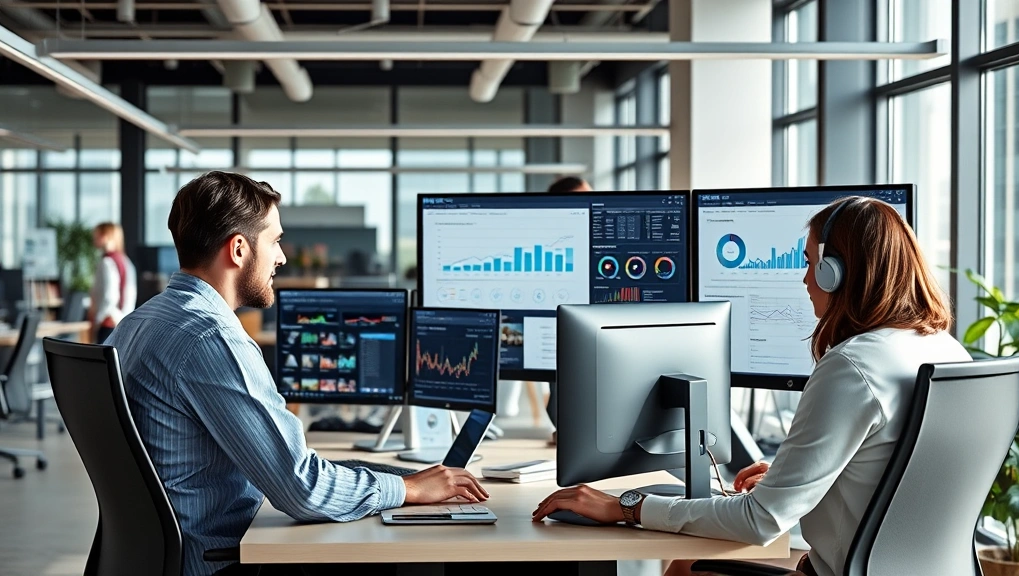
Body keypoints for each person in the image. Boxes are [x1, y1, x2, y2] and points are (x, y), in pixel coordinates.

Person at [532, 196, 970, 576]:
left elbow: (761, 522)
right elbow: (897, 481)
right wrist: (790, 480)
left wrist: (625, 506)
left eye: (808, 264)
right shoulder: (949, 352)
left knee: (687, 569)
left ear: (834, 272)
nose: (804, 280)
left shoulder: (853, 367)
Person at [106, 171, 487, 576]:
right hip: (222, 563)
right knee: (400, 558)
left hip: (163, 557)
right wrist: (408, 488)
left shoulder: (136, 324)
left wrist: (391, 477)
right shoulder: (211, 338)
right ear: (238, 249)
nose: (282, 257)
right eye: (274, 241)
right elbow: (302, 489)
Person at [89, 222, 137, 344]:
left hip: (108, 322)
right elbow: (131, 293)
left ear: (106, 236)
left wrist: (98, 320)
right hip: (122, 321)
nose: (93, 238)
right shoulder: (126, 261)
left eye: (97, 234)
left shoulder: (106, 262)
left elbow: (109, 296)